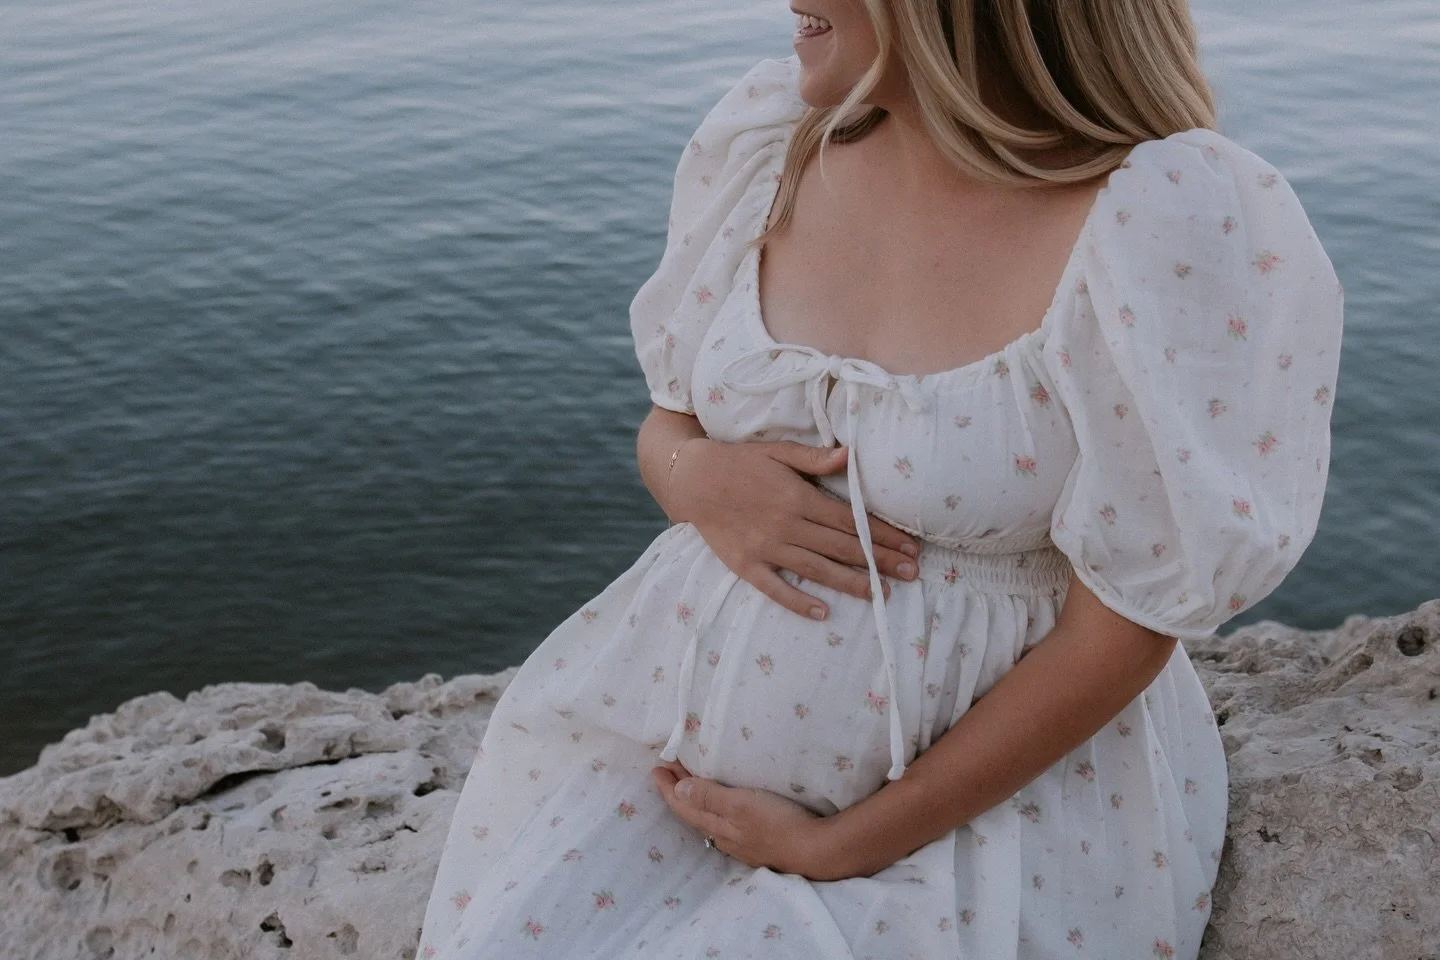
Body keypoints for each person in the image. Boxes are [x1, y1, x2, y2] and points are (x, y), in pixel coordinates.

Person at [417, 0, 1343, 956]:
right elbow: (671, 419)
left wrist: (845, 845)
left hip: (970, 808)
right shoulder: (773, 148)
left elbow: (1131, 624)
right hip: (659, 750)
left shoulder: (1160, 224)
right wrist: (694, 479)